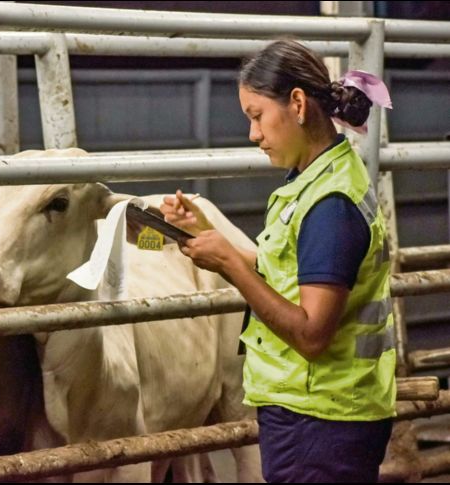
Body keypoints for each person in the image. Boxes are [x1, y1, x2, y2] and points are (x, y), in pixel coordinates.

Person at [160, 39, 395, 483]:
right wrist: (205, 233)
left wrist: (230, 265)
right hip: (320, 413)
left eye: (256, 116)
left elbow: (311, 335)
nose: (253, 134)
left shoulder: (330, 204)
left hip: (321, 418)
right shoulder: (317, 178)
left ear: (298, 104)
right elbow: (292, 269)